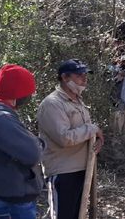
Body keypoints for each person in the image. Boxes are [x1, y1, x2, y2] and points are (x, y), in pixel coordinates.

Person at [37, 59, 105, 219]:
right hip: (63, 172)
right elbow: (64, 138)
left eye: (85, 75)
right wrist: (93, 129)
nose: (84, 79)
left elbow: (86, 133)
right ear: (65, 78)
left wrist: (97, 140)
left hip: (83, 169)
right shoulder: (52, 104)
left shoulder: (78, 101)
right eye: (79, 75)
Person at [0, 64, 43, 219]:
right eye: (28, 93)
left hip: (2, 195)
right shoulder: (1, 120)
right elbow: (33, 153)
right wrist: (40, 142)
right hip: (15, 202)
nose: (29, 97)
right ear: (18, 96)